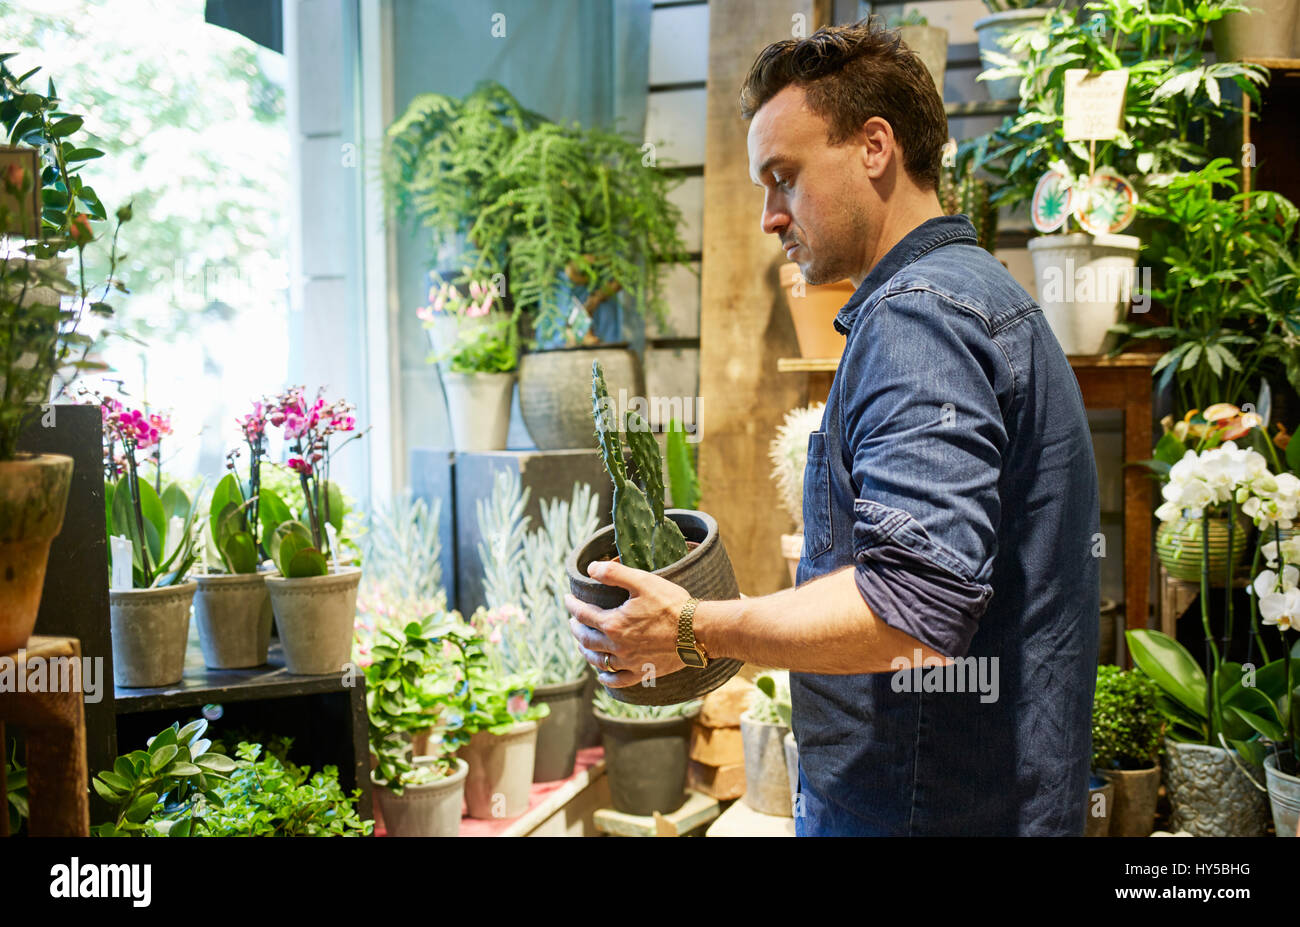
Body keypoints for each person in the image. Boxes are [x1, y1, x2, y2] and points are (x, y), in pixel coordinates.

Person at [565, 18, 1100, 836]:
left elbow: (909, 602)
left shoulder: (919, 320)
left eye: (783, 178)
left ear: (874, 147)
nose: (770, 218)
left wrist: (690, 625)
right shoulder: (980, 295)